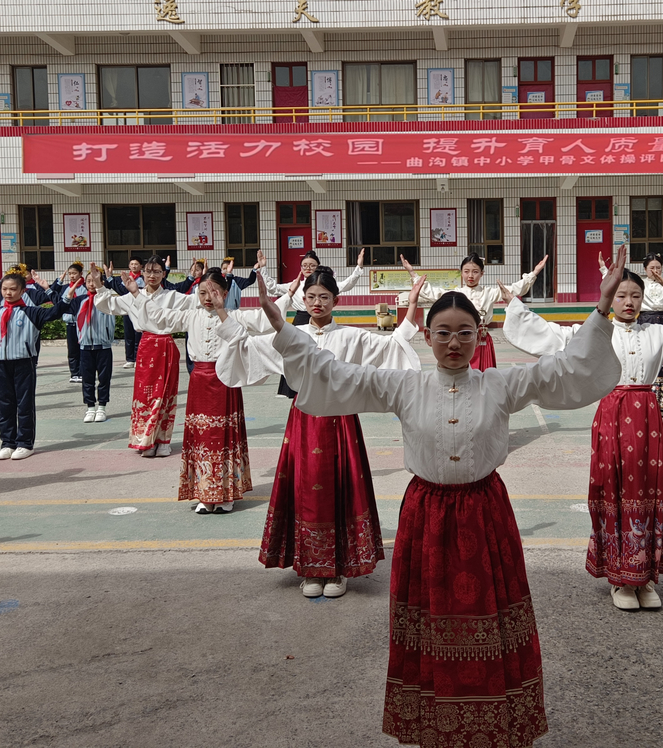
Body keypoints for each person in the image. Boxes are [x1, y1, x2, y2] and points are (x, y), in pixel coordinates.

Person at [258, 248, 624, 748]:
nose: (454, 343)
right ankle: (434, 722)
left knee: (488, 619)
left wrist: (600, 310)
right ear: (426, 337)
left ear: (480, 336)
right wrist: (284, 329)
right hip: (426, 515)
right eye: (444, 333)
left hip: (484, 512)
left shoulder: (500, 383)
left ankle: (495, 721)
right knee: (431, 621)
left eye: (465, 333)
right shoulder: (405, 386)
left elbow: (563, 371)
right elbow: (337, 377)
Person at [503, 265, 663, 611]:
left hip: (647, 419)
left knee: (648, 490)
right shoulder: (595, 333)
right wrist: (517, 308)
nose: (629, 302)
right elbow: (552, 335)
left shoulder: (658, 334)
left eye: (635, 296)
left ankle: (644, 575)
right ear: (610, 298)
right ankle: (620, 578)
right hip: (612, 417)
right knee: (614, 489)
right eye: (621, 295)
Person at [215, 267, 420, 597]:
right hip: (303, 421)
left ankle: (338, 570)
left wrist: (411, 306)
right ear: (303, 300)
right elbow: (247, 346)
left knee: (340, 488)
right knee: (305, 491)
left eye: (324, 297)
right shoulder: (292, 336)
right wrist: (221, 311)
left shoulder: (351, 337)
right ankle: (311, 568)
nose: (317, 303)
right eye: (311, 297)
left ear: (336, 301)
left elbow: (392, 346)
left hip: (341, 421)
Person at [143, 269, 278, 513]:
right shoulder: (190, 316)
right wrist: (134, 293)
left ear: (226, 294)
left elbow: (262, 320)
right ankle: (205, 494)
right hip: (198, 382)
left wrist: (286, 295)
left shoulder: (234, 317)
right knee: (202, 438)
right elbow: (159, 316)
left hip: (224, 380)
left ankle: (227, 495)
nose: (208, 298)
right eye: (202, 292)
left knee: (224, 436)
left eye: (214, 292)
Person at [94, 255, 191, 457]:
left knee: (166, 394)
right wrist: (100, 286)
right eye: (148, 271)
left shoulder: (173, 297)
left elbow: (197, 302)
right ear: (142, 274)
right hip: (146, 347)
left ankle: (163, 439)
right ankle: (145, 439)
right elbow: (108, 306)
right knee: (145, 394)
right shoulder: (132, 296)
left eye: (156, 271)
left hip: (166, 345)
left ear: (164, 274)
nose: (151, 275)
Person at [597, 252, 663, 416]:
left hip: (662, 321)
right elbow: (618, 286)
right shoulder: (640, 285)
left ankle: (661, 403)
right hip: (644, 323)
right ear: (645, 269)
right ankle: (645, 401)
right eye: (652, 268)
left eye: (658, 268)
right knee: (643, 362)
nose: (655, 271)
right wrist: (604, 269)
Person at [402, 251, 548, 371]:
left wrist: (534, 273)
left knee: (485, 376)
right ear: (461, 273)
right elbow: (433, 293)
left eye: (475, 272)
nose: (470, 276)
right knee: (462, 373)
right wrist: (412, 273)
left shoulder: (490, 292)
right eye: (466, 271)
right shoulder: (456, 293)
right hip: (463, 338)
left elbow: (516, 289)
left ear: (482, 274)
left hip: (482, 338)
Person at [0, 271, 70, 459]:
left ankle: (25, 443)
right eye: (4, 289)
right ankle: (7, 442)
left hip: (24, 363)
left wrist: (65, 299)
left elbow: (54, 313)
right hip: (1, 364)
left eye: (13, 289)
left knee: (24, 404)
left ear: (22, 291)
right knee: (4, 404)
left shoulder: (32, 312)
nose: (8, 293)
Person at [262, 248, 367, 397]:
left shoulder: (326, 284)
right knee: (295, 355)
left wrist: (359, 267)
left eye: (312, 265)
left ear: (317, 267)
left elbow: (346, 284)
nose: (308, 268)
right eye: (304, 265)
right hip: (300, 321)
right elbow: (273, 288)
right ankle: (290, 389)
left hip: (323, 321)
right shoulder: (295, 284)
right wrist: (263, 268)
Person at [70, 265, 116, 423]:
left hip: (103, 346)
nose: (91, 283)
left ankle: (102, 407)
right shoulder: (79, 301)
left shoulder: (106, 299)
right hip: (85, 347)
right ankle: (90, 407)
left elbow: (111, 317)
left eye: (94, 280)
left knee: (104, 379)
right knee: (87, 379)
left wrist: (107, 338)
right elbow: (63, 308)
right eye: (88, 281)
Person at [50, 262, 87, 383]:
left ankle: (82, 372)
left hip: (83, 324)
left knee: (83, 348)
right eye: (70, 273)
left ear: (81, 274)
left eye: (74, 273)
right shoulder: (65, 288)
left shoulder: (86, 287)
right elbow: (58, 302)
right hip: (70, 323)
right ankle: (74, 373)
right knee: (72, 350)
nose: (72, 276)